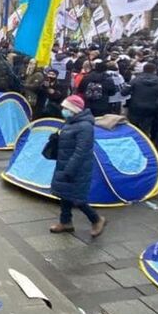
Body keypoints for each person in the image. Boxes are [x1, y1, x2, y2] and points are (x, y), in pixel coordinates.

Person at [49, 95, 107, 237]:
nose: (63, 110)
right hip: (65, 163)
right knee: (64, 194)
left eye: (65, 108)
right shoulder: (70, 122)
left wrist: (70, 168)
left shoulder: (85, 126)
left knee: (78, 198)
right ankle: (65, 222)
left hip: (76, 167)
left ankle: (97, 219)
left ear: (73, 109)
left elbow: (81, 151)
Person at [124, 63, 158, 141]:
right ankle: (145, 142)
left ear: (143, 70)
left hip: (135, 107)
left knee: (134, 128)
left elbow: (124, 92)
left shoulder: (136, 80)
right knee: (146, 129)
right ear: (154, 71)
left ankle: (134, 141)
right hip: (151, 109)